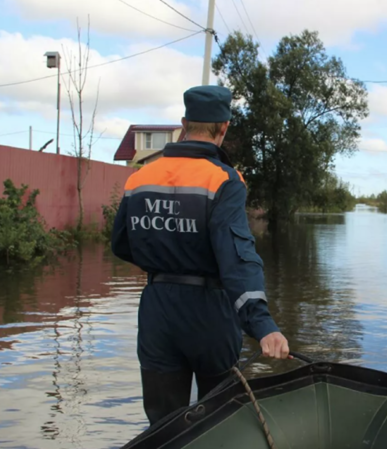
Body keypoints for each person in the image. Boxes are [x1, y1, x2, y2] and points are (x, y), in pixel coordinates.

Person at [110, 85, 289, 426]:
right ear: (224, 128)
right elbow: (237, 258)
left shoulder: (140, 178)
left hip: (157, 312)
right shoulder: (224, 180)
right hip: (209, 314)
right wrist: (262, 325)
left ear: (183, 122)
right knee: (218, 425)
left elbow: (120, 244)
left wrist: (164, 258)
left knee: (164, 427)